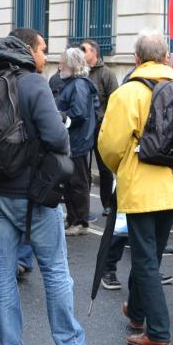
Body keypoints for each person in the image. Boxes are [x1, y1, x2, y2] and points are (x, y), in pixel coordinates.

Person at [0, 29, 109, 345]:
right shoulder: (33, 83)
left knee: (2, 271)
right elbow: (56, 137)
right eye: (42, 49)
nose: (45, 55)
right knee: (54, 270)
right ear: (28, 50)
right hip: (33, 191)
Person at [98, 29, 173, 345]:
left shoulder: (128, 93)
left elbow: (109, 144)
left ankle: (159, 331)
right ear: (166, 57)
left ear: (136, 59)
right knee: (150, 254)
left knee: (145, 257)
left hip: (140, 185)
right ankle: (136, 311)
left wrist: (119, 169)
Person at [56, 47, 99, 236]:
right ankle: (74, 218)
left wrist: (61, 117)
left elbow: (79, 113)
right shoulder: (76, 84)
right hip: (75, 140)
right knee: (71, 182)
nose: (59, 66)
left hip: (77, 141)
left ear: (71, 65)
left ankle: (80, 221)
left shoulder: (78, 85)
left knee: (77, 183)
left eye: (62, 63)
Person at [82, 39, 120, 217]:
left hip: (100, 126)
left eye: (85, 49)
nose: (82, 52)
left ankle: (107, 203)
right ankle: (83, 207)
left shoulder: (106, 73)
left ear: (94, 52)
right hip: (82, 126)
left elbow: (115, 100)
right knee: (82, 167)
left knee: (104, 168)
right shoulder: (80, 72)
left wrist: (106, 121)